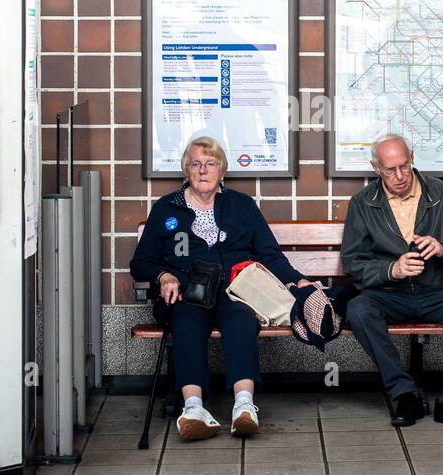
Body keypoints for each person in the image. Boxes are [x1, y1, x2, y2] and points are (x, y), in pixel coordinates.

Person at [130, 136, 319, 441]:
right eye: (195, 164)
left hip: (235, 290)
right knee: (187, 322)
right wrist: (164, 275)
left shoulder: (241, 205)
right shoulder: (167, 208)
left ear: (222, 170)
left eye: (210, 164)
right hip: (187, 292)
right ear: (185, 170)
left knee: (242, 320)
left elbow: (269, 254)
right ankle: (193, 409)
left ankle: (243, 406)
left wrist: (297, 280)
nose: (203, 170)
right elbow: (141, 262)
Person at [340, 134, 443, 430]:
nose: (401, 176)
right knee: (357, 311)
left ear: (413, 156)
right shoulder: (363, 202)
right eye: (390, 170)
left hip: (439, 291)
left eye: (405, 166)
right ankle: (404, 393)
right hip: (389, 293)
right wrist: (392, 269)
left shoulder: (440, 193)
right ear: (375, 167)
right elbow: (354, 262)